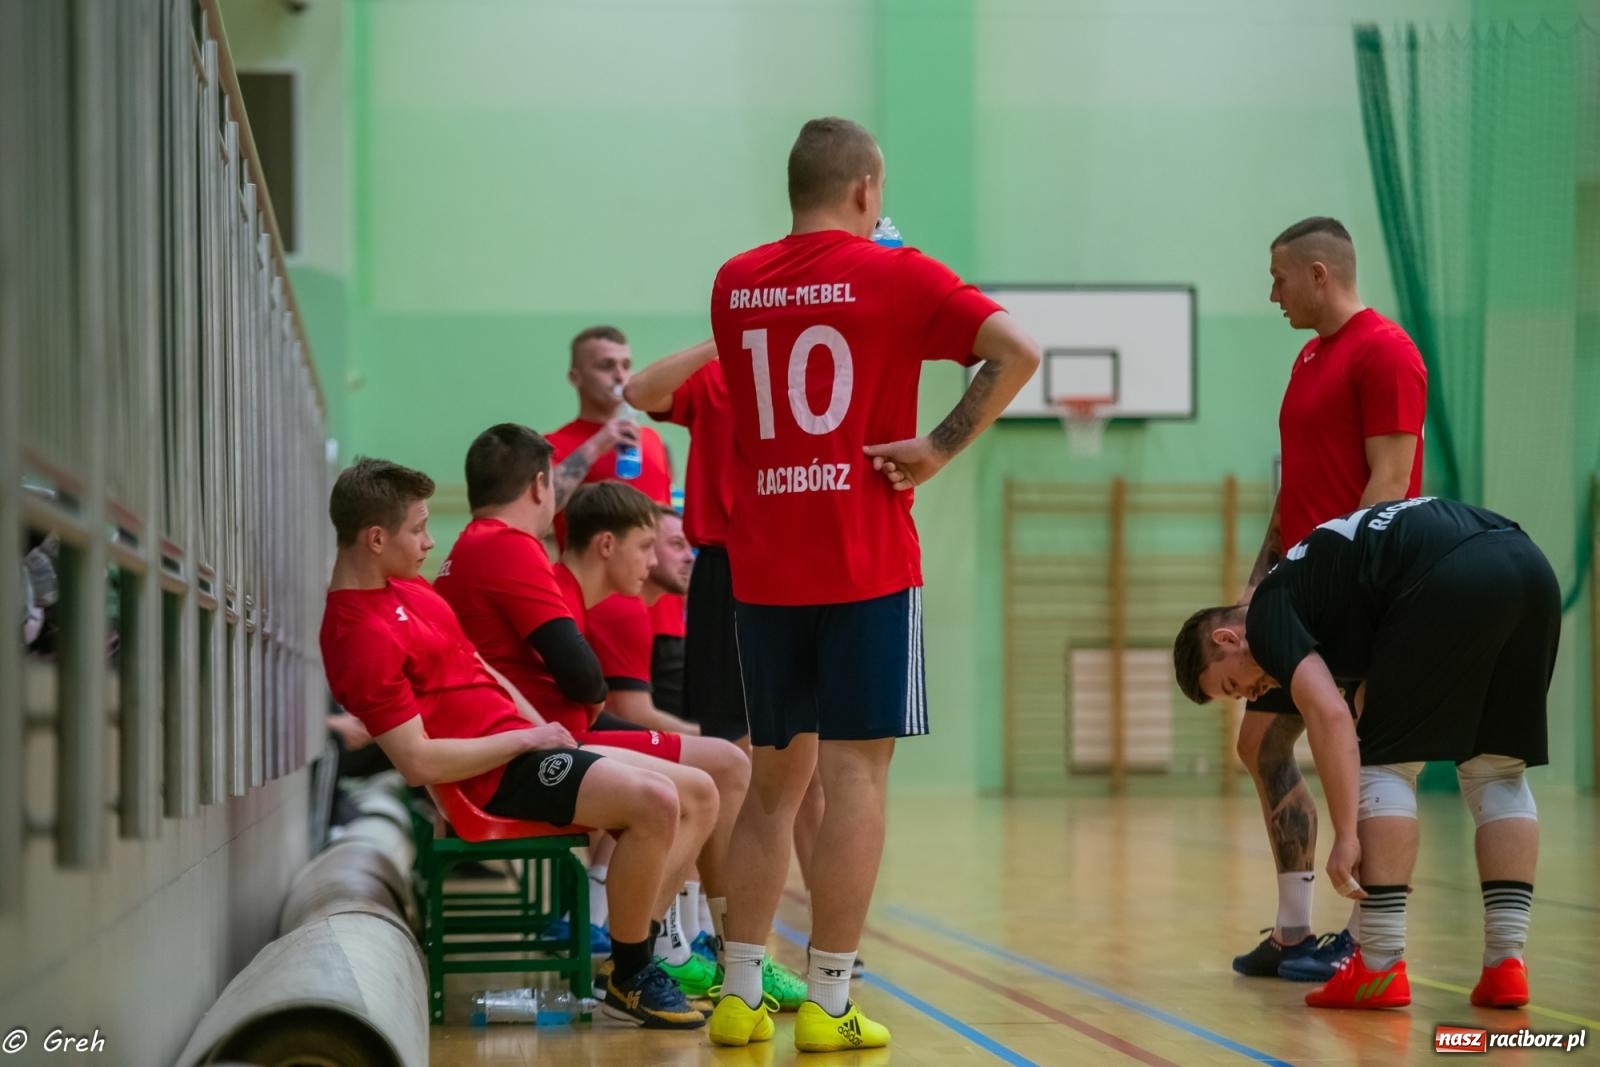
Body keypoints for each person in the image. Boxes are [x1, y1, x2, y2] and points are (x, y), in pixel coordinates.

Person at [704, 116, 1040, 1051]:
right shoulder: (901, 273)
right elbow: (1017, 349)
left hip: (765, 567)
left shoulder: (735, 284)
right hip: (865, 561)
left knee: (774, 786)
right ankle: (829, 1000)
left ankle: (739, 994)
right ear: (866, 188)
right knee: (855, 779)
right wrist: (935, 447)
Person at [317, 457, 706, 1029]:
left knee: (699, 791)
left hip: (525, 747)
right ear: (376, 538)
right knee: (656, 801)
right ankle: (630, 973)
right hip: (491, 777)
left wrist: (545, 732)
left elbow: (477, 666)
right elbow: (420, 762)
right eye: (419, 528)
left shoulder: (405, 586)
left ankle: (637, 954)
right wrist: (527, 741)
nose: (429, 540)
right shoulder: (357, 635)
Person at [1174, 496, 1554, 1011]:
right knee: (1497, 770)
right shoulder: (1322, 591)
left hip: (1448, 575)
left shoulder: (1267, 615)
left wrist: (1347, 837)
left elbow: (1329, 718)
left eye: (1233, 685)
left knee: (1385, 765)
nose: (1253, 693)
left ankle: (1378, 966)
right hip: (1527, 565)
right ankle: (1506, 964)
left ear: (1227, 637)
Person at [432, 427, 751, 1002]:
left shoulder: (478, 546)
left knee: (717, 773)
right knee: (698, 784)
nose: (657, 560)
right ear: (539, 484)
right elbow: (584, 678)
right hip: (525, 748)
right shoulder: (506, 547)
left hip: (535, 736)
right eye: (650, 546)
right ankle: (650, 954)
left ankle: (689, 947)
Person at [1230, 216, 1428, 982]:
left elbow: (1387, 484)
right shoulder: (1308, 357)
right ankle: (1292, 930)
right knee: (1260, 743)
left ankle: (1363, 930)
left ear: (1320, 273)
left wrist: (1351, 598)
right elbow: (1295, 487)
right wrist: (1259, 582)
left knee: (1365, 757)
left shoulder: (1387, 351)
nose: (1272, 292)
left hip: (1357, 594)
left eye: (1279, 277)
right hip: (1298, 591)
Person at [544, 324, 686, 650]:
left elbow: (668, 521)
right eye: (606, 366)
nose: (620, 376)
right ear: (575, 377)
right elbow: (544, 508)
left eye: (625, 365)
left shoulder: (651, 441)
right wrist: (599, 442)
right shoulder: (555, 446)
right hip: (597, 617)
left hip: (663, 618)